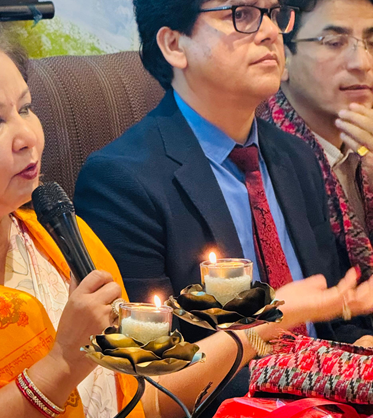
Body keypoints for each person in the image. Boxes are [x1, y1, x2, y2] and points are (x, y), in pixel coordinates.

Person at [0, 4, 372, 418]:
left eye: (26, 109)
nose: (27, 137)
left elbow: (149, 391)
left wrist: (262, 327)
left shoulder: (57, 236)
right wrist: (62, 363)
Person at [73, 0, 373, 414]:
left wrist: (358, 346)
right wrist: (315, 367)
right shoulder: (121, 182)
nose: (270, 32)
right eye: (242, 14)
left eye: (273, 13)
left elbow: (332, 315)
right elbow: (146, 381)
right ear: (174, 44)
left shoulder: (297, 157)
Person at [257, 0, 373, 346]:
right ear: (282, 56)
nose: (362, 62)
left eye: (371, 42)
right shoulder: (265, 162)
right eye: (334, 42)